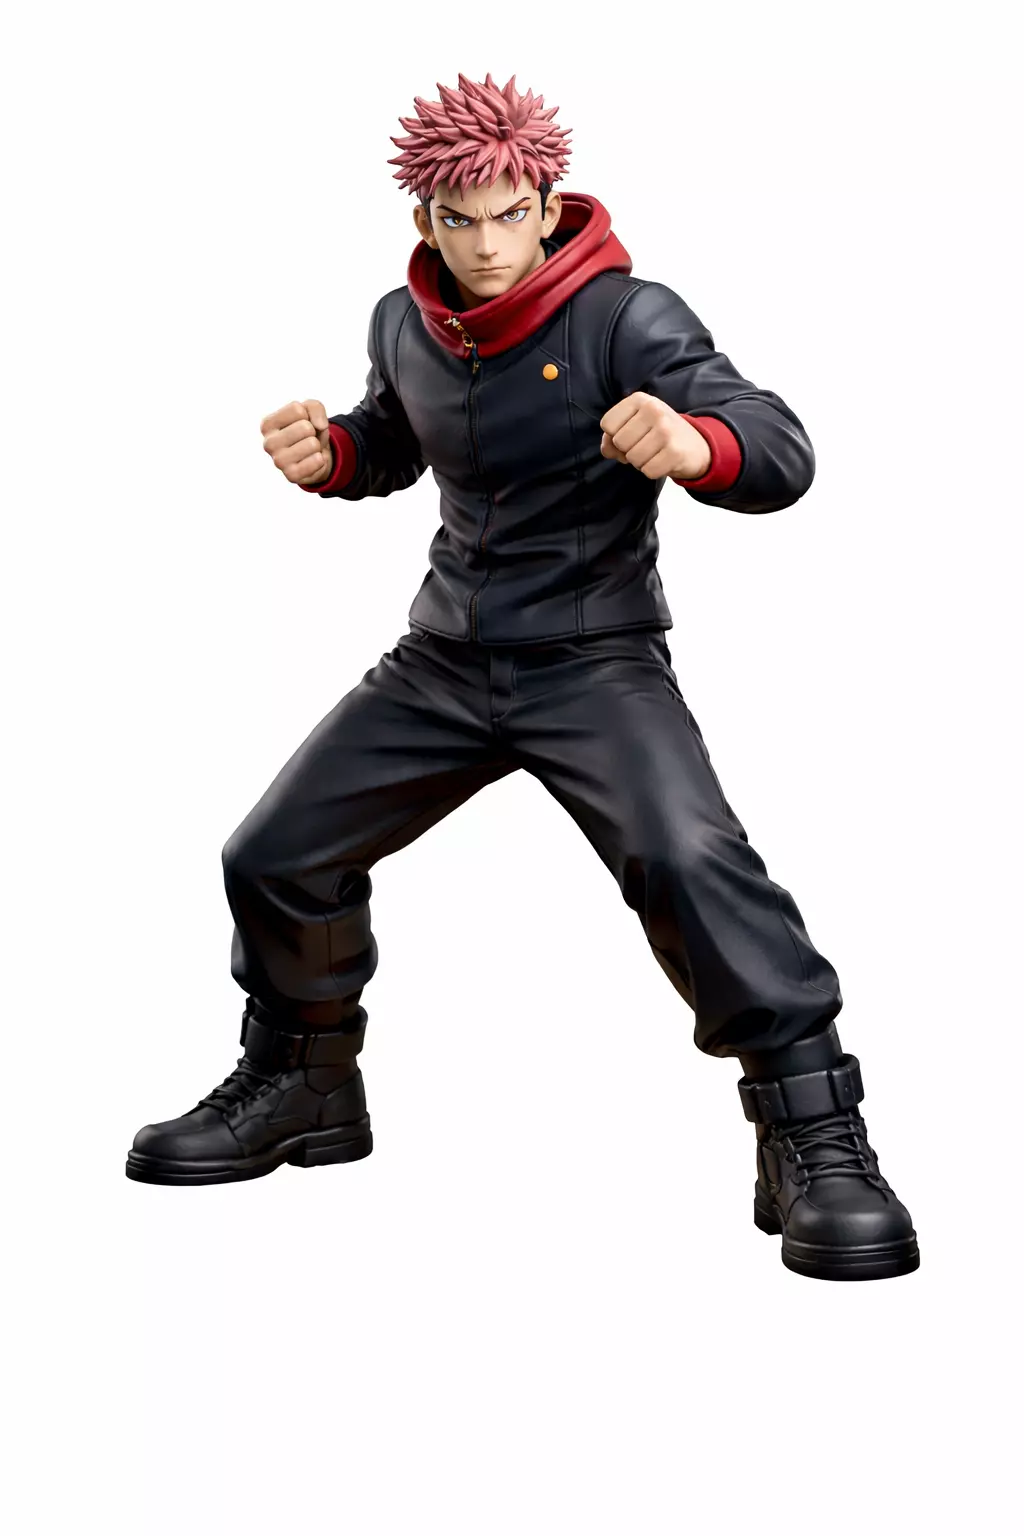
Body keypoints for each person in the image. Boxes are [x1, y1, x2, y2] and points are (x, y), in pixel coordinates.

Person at [126, 72, 918, 1282]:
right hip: (441, 662)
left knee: (689, 862)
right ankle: (303, 1084)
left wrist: (697, 442)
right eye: (461, 220)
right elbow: (393, 438)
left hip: (591, 661)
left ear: (547, 206)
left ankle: (813, 1134)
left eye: (510, 215)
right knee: (273, 854)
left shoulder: (627, 318)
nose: (489, 246)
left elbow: (779, 447)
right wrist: (332, 454)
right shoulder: (404, 322)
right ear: (425, 222)